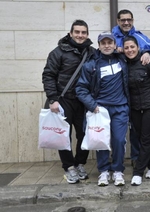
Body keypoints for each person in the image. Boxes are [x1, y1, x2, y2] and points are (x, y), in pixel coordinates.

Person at [42, 19, 96, 184]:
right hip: (63, 100)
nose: (80, 35)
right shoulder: (58, 52)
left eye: (83, 32)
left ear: (87, 34)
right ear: (71, 33)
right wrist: (52, 99)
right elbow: (48, 75)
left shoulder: (92, 52)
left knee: (84, 134)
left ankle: (79, 163)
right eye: (77, 32)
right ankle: (69, 167)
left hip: (83, 101)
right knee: (63, 136)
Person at [76, 32, 129, 187]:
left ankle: (118, 170)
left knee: (119, 140)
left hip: (120, 108)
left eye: (109, 42)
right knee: (101, 141)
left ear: (114, 44)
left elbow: (140, 49)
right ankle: (104, 171)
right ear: (98, 45)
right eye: (103, 43)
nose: (107, 46)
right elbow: (80, 88)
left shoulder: (123, 60)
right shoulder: (91, 65)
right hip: (100, 110)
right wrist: (93, 105)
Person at [111, 9, 150, 167]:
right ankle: (120, 160)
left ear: (133, 20)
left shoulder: (140, 36)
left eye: (129, 19)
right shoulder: (111, 38)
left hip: (140, 93)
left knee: (140, 132)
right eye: (122, 20)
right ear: (117, 21)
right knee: (125, 131)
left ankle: (138, 159)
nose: (126, 22)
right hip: (119, 93)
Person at [123, 36, 150, 186]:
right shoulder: (123, 64)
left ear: (138, 47)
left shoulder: (146, 61)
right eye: (126, 48)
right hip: (134, 107)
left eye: (132, 47)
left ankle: (138, 172)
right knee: (141, 139)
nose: (130, 50)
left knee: (146, 139)